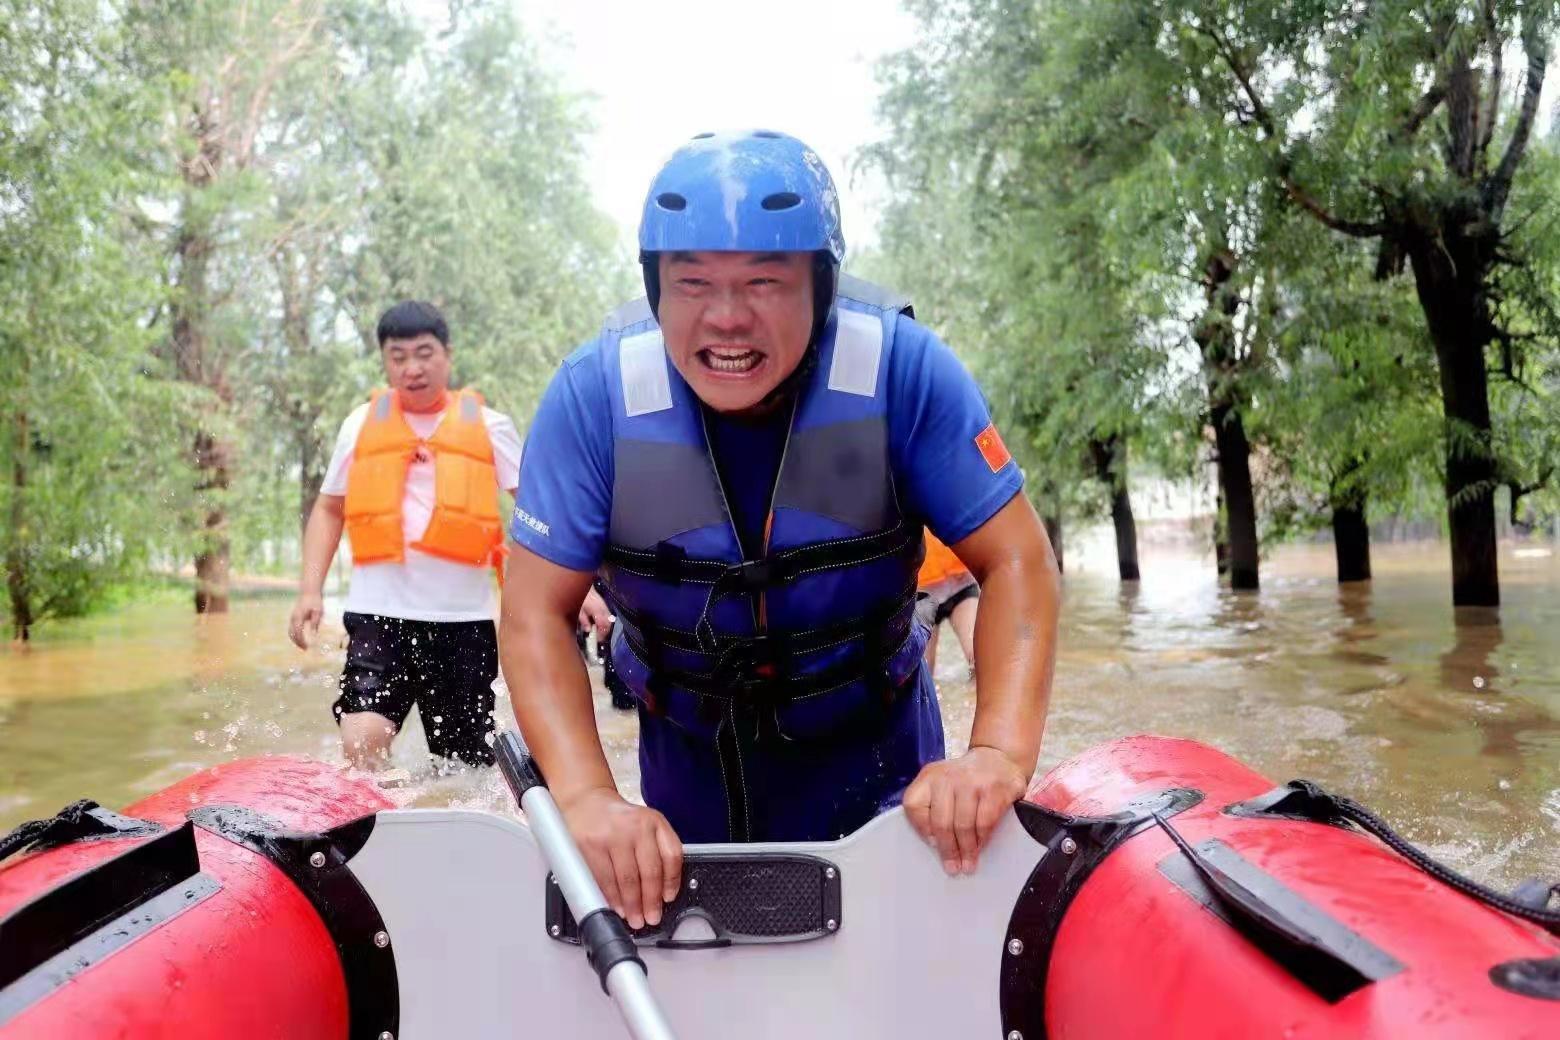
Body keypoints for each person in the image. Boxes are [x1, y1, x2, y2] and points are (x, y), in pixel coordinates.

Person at [499, 130, 1061, 930]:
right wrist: (589, 799)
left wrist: (997, 754)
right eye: (691, 283)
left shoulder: (906, 371)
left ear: (822, 286)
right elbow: (532, 612)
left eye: (764, 281)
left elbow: (1016, 561)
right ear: (656, 289)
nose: (727, 319)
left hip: (880, 755)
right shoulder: (591, 398)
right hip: (687, 764)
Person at [288, 301, 550, 769]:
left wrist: (583, 587)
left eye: (424, 353)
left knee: (464, 766)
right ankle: (381, 827)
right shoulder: (359, 424)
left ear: (447, 354)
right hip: (379, 614)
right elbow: (329, 508)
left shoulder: (491, 428)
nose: (412, 368)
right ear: (385, 362)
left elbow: (541, 511)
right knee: (362, 740)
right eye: (398, 356)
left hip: (463, 623)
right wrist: (310, 589)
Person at [917, 529, 979, 679]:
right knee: (923, 676)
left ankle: (978, 699)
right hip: (922, 594)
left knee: (978, 658)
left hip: (961, 583)